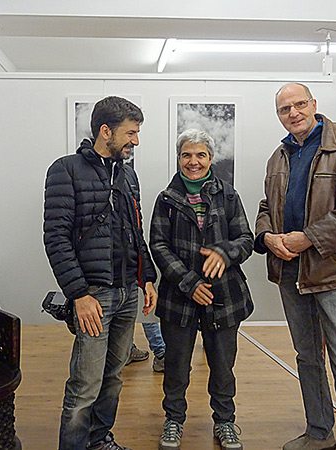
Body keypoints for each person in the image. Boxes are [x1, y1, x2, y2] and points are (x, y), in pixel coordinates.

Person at [254, 83, 336, 450]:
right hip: (291, 272)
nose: (293, 113)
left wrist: (308, 238)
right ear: (278, 115)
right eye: (284, 109)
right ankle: (318, 433)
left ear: (314, 104)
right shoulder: (279, 156)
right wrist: (268, 238)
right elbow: (268, 207)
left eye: (299, 105)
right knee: (308, 358)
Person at [43, 96, 158, 450]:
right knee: (86, 383)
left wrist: (147, 276)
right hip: (93, 295)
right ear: (105, 131)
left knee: (113, 379)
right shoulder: (65, 169)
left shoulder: (128, 174)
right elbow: (56, 238)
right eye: (130, 133)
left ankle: (98, 440)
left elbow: (135, 231)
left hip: (127, 292)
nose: (135, 141)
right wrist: (78, 295)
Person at [150, 129, 254, 450]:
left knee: (223, 366)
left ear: (210, 158)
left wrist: (226, 253)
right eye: (186, 155)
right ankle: (173, 421)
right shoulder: (166, 199)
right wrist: (190, 282)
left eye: (200, 155)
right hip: (180, 298)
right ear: (179, 158)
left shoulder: (229, 196)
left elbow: (246, 240)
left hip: (224, 298)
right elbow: (158, 245)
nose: (193, 162)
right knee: (176, 366)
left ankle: (225, 422)